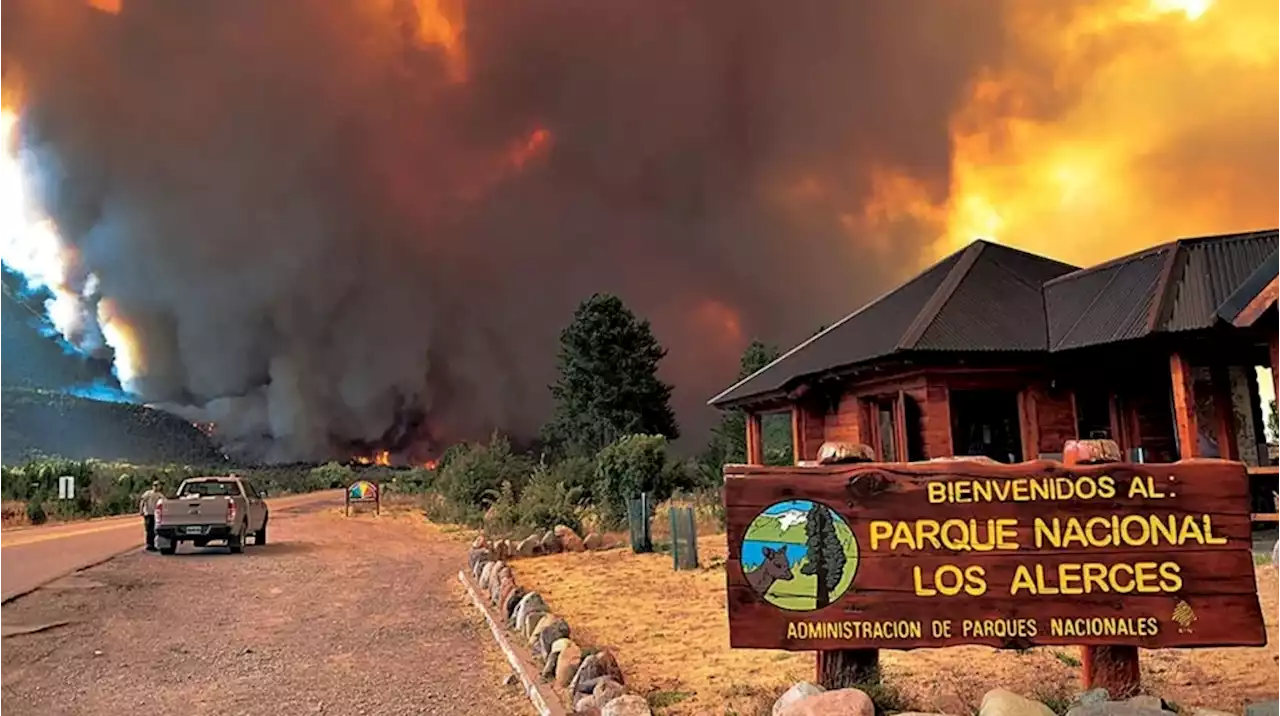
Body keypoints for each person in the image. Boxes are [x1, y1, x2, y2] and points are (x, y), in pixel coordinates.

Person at [139, 481, 163, 551]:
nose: (157, 487)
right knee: (149, 530)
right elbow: (142, 501)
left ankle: (152, 544)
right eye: (156, 485)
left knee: (153, 530)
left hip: (155, 514)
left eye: (158, 486)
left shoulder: (160, 495)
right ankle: (149, 545)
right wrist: (141, 510)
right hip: (148, 513)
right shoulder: (148, 493)